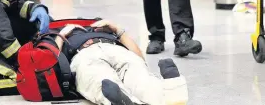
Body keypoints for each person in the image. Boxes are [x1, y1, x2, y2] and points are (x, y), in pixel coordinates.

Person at [54, 20, 188, 105]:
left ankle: (170, 95)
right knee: (101, 80)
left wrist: (118, 30)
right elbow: (52, 64)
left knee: (138, 73)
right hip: (84, 55)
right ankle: (168, 93)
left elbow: (139, 58)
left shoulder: (104, 30)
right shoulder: (57, 35)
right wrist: (60, 36)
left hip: (115, 48)